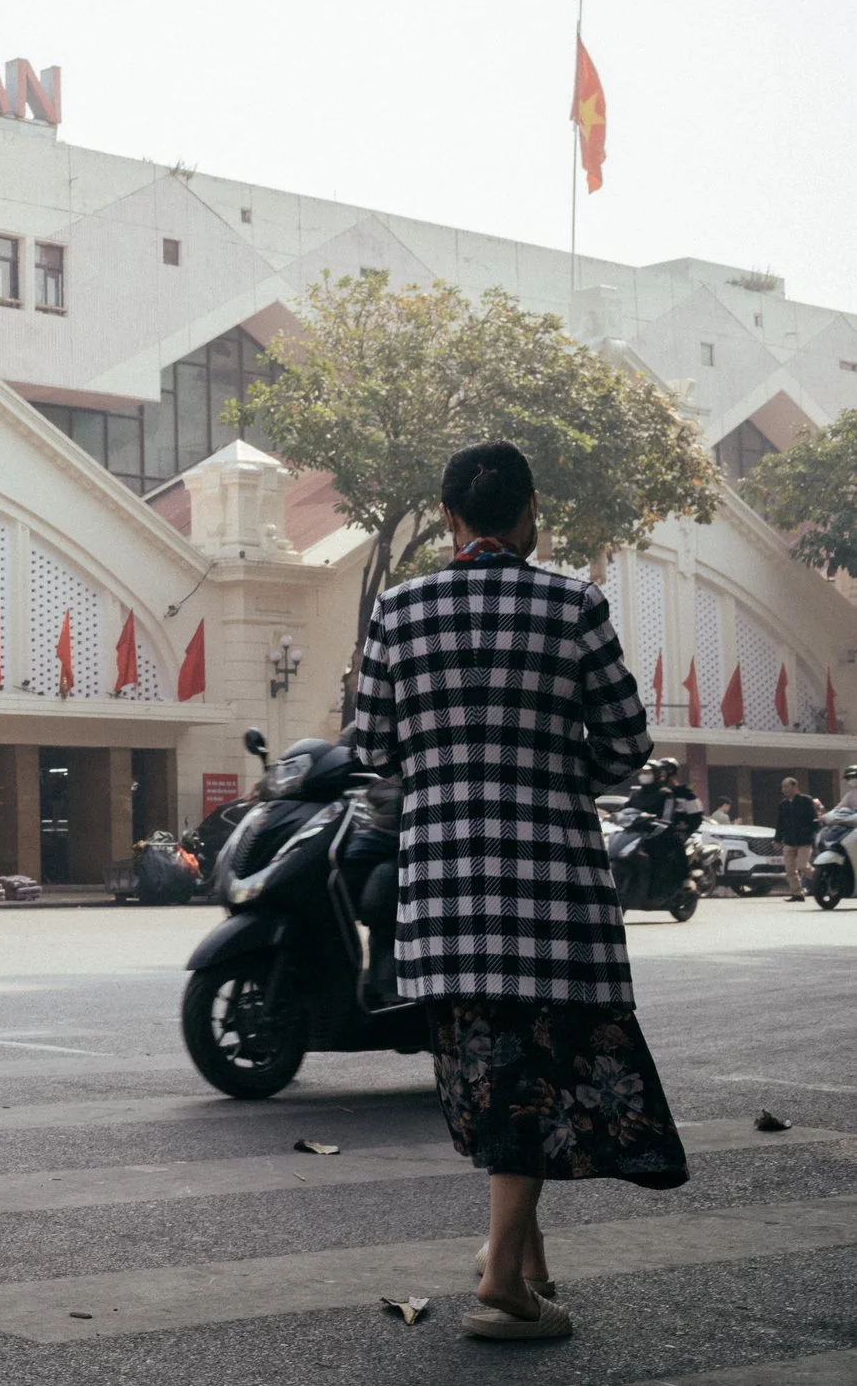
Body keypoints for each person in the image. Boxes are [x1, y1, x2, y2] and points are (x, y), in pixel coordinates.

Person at [346, 441, 686, 1344]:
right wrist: (546, 764)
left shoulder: (400, 605)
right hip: (551, 879)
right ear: (530, 510)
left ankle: (523, 1256)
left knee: (488, 1065)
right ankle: (502, 1276)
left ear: (449, 514)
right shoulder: (573, 602)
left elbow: (373, 743)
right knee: (536, 1065)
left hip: (447, 878)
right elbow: (622, 743)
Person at [775, 775, 821, 903]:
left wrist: (809, 833)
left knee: (802, 866)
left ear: (794, 787)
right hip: (789, 841)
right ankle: (797, 893)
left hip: (804, 841)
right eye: (782, 787)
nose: (783, 789)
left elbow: (814, 820)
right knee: (790, 869)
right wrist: (777, 839)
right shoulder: (783, 804)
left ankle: (822, 880)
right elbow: (780, 823)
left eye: (786, 786)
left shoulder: (805, 800)